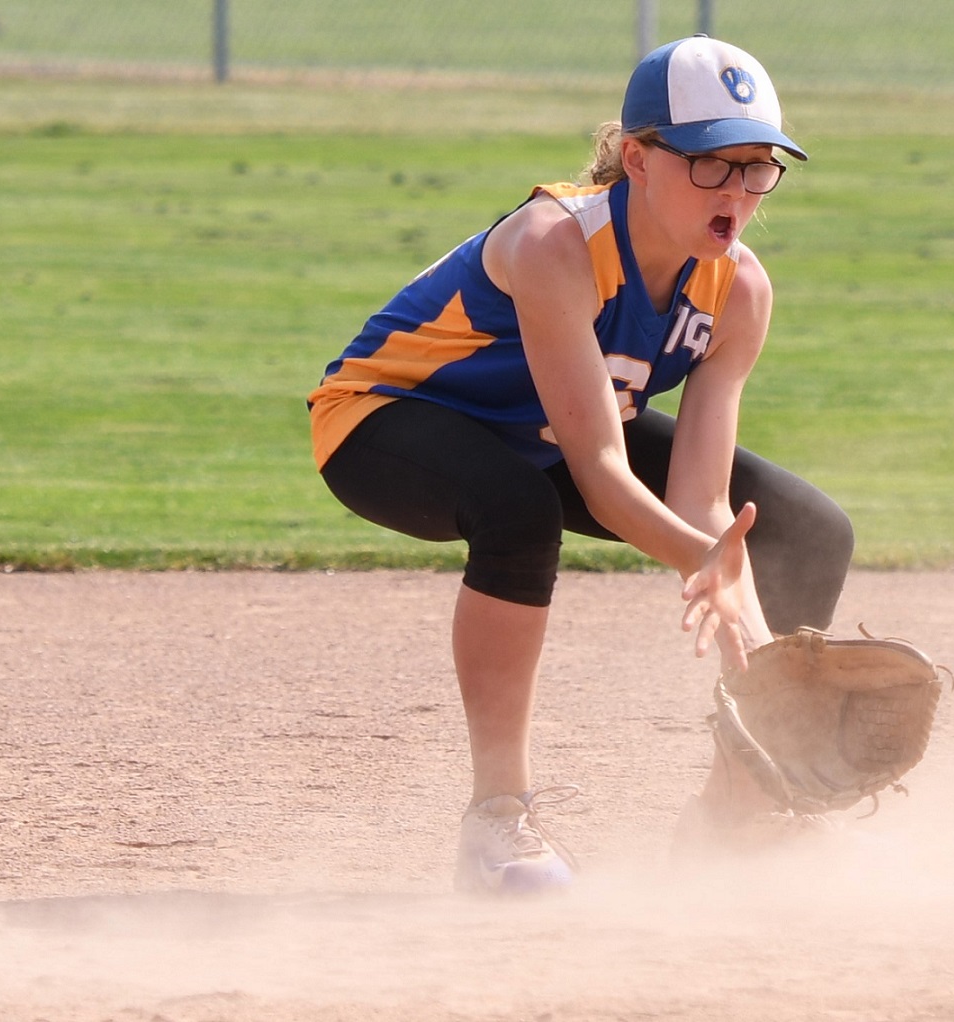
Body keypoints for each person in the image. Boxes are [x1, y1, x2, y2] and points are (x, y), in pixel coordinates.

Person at [307, 35, 853, 894]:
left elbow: (702, 499)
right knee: (517, 512)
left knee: (807, 530)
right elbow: (601, 469)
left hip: (543, 433)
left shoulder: (739, 289)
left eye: (759, 167)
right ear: (637, 158)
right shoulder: (554, 242)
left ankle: (741, 807)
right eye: (711, 163)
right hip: (385, 420)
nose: (739, 192)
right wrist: (704, 564)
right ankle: (497, 822)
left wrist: (733, 584)